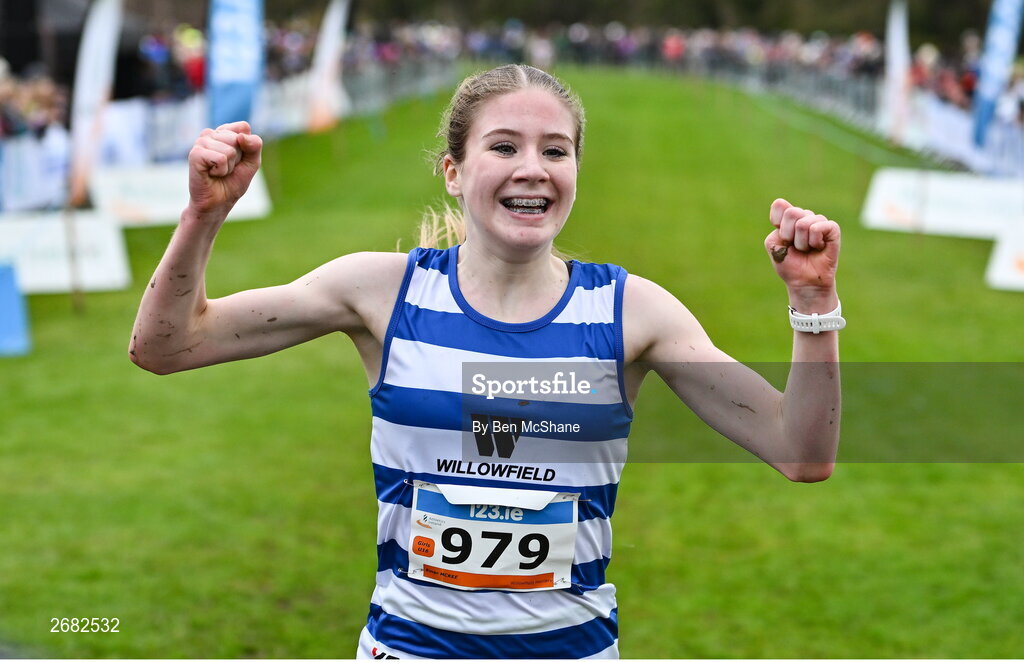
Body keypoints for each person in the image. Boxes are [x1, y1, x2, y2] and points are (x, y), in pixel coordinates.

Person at [130, 64, 842, 659]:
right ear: (453, 170)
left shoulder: (632, 313)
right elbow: (167, 346)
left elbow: (798, 450)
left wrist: (814, 305)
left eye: (555, 151)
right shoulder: (379, 292)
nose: (532, 169)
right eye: (503, 147)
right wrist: (203, 214)